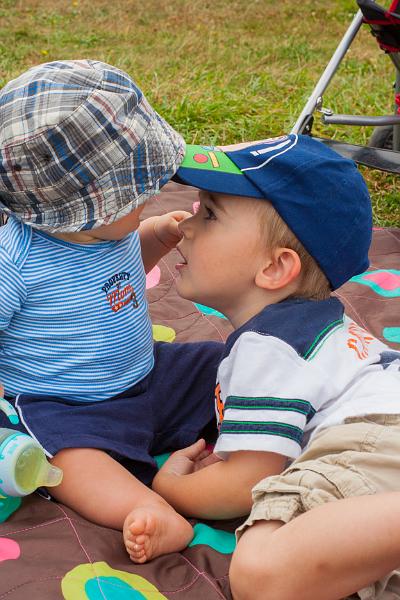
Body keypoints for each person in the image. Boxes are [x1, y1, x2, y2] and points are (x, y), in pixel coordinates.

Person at [127, 134, 400, 598]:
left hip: (372, 438)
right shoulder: (309, 329)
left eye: (210, 214)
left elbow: (245, 482)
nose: (187, 226)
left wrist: (168, 487)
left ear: (275, 268)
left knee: (261, 571)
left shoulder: (267, 346)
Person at [0, 59, 224, 560]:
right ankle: (147, 509)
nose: (148, 198)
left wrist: (156, 238)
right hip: (67, 404)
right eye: (135, 195)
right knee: (68, 462)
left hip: (149, 376)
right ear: (89, 208)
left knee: (223, 363)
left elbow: (114, 283)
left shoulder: (109, 229)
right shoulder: (14, 262)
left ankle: (266, 437)